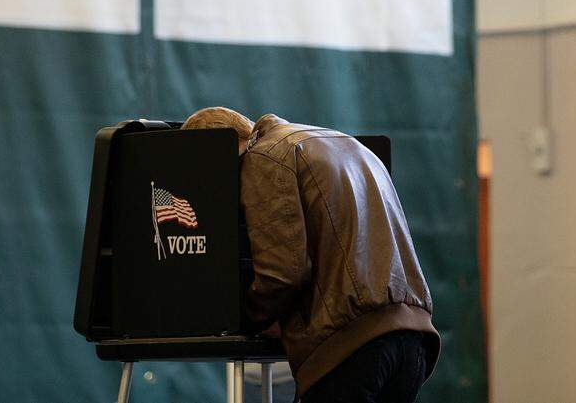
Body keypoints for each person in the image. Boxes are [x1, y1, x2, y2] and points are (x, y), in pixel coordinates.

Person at [181, 107, 439, 402]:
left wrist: (244, 319)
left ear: (214, 152)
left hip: (350, 349)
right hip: (413, 343)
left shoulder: (264, 157)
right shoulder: (344, 144)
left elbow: (283, 272)